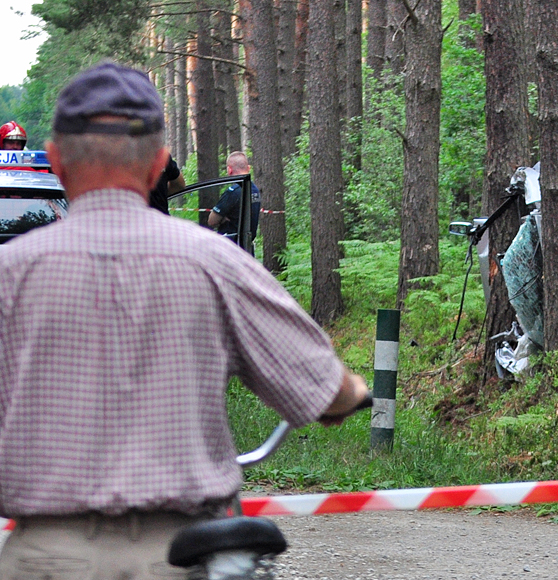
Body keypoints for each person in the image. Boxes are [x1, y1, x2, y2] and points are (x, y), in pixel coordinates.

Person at [0, 61, 369, 580]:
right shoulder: (215, 261)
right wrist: (351, 391)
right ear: (158, 167)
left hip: (41, 557)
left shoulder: (9, 273)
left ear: (56, 162)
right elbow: (320, 385)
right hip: (182, 556)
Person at [208, 151, 260, 242]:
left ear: (229, 170)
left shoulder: (233, 192)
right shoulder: (255, 190)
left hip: (230, 245)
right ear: (248, 168)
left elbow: (212, 221)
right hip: (247, 245)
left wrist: (223, 218)